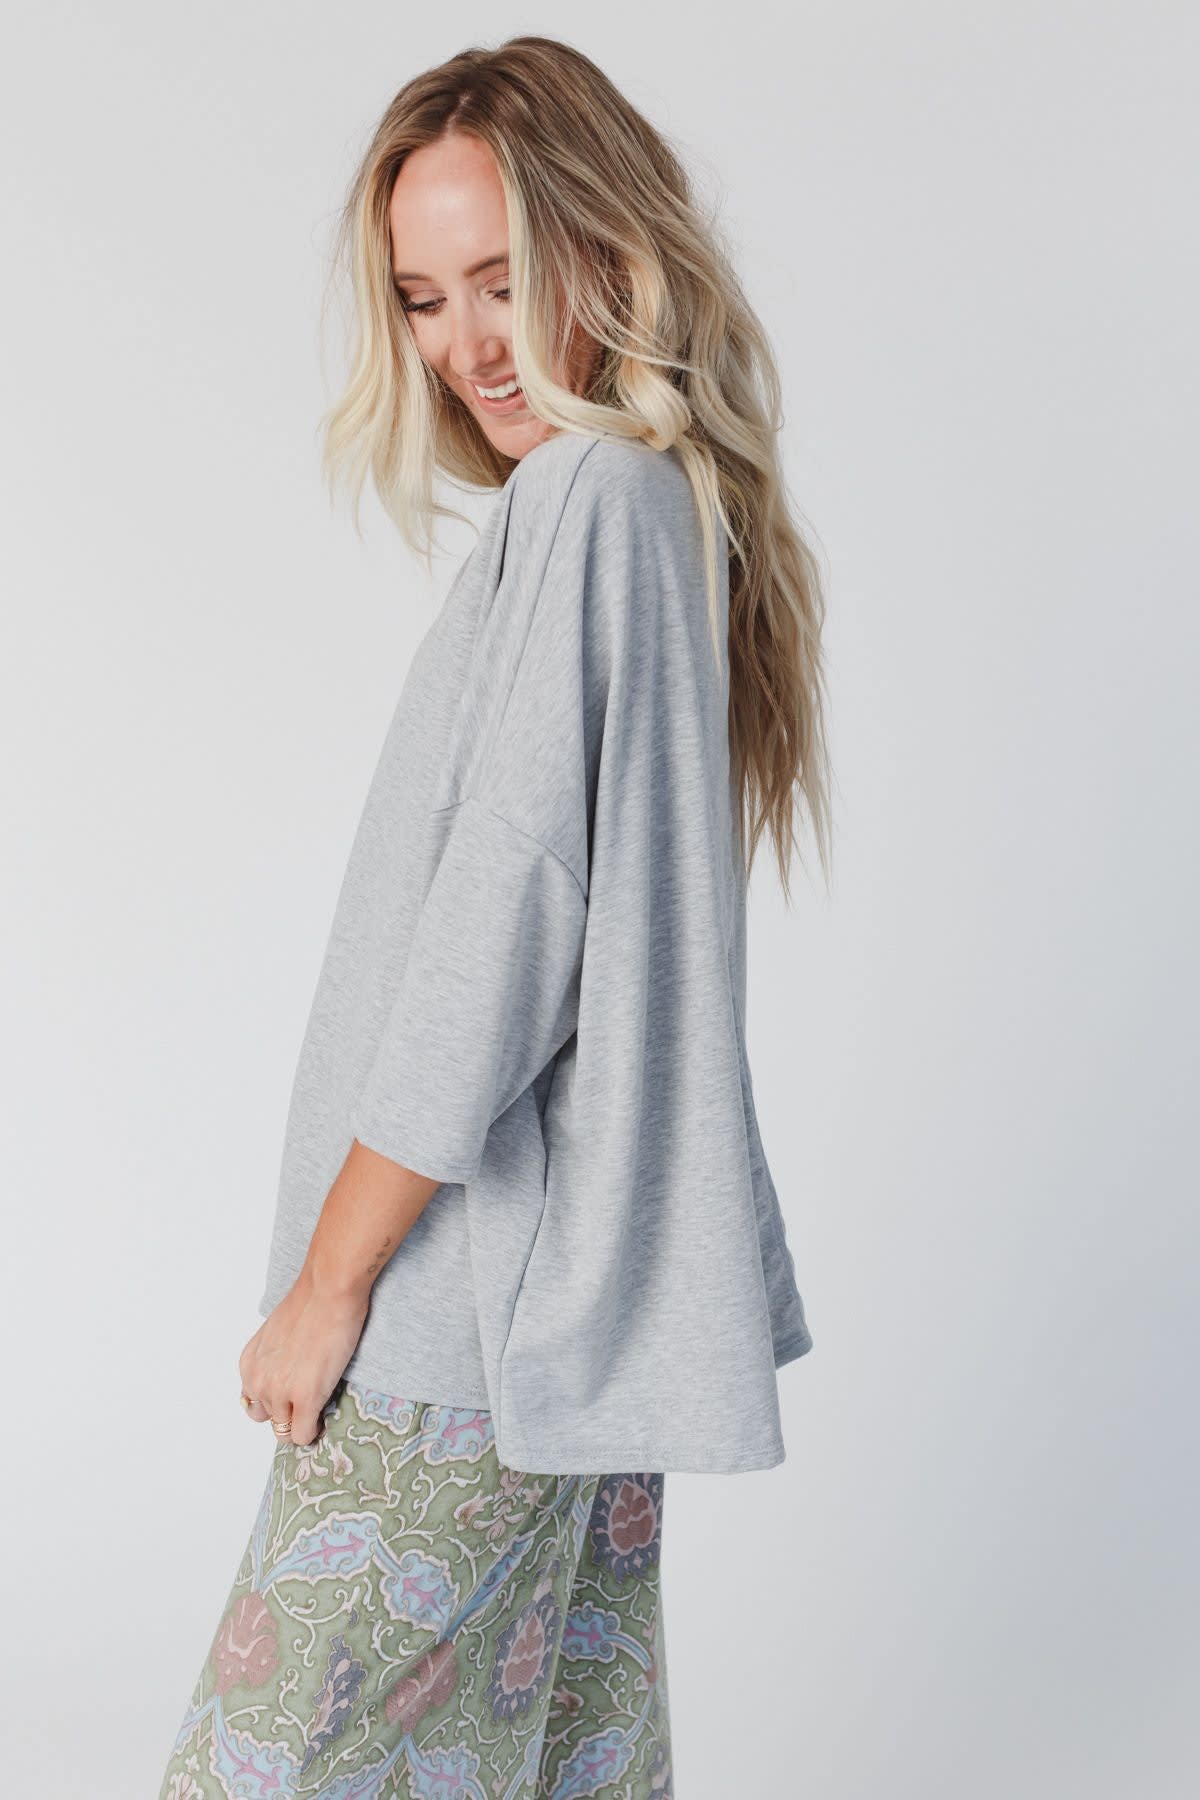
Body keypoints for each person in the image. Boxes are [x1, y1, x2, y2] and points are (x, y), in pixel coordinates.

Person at [157, 33, 830, 1800]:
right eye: (424, 297)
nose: (468, 342)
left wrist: (328, 1286)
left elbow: (503, 932)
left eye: (505, 277)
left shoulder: (594, 501)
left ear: (613, 249)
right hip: (576, 1351)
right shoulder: (665, 514)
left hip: (466, 1332)